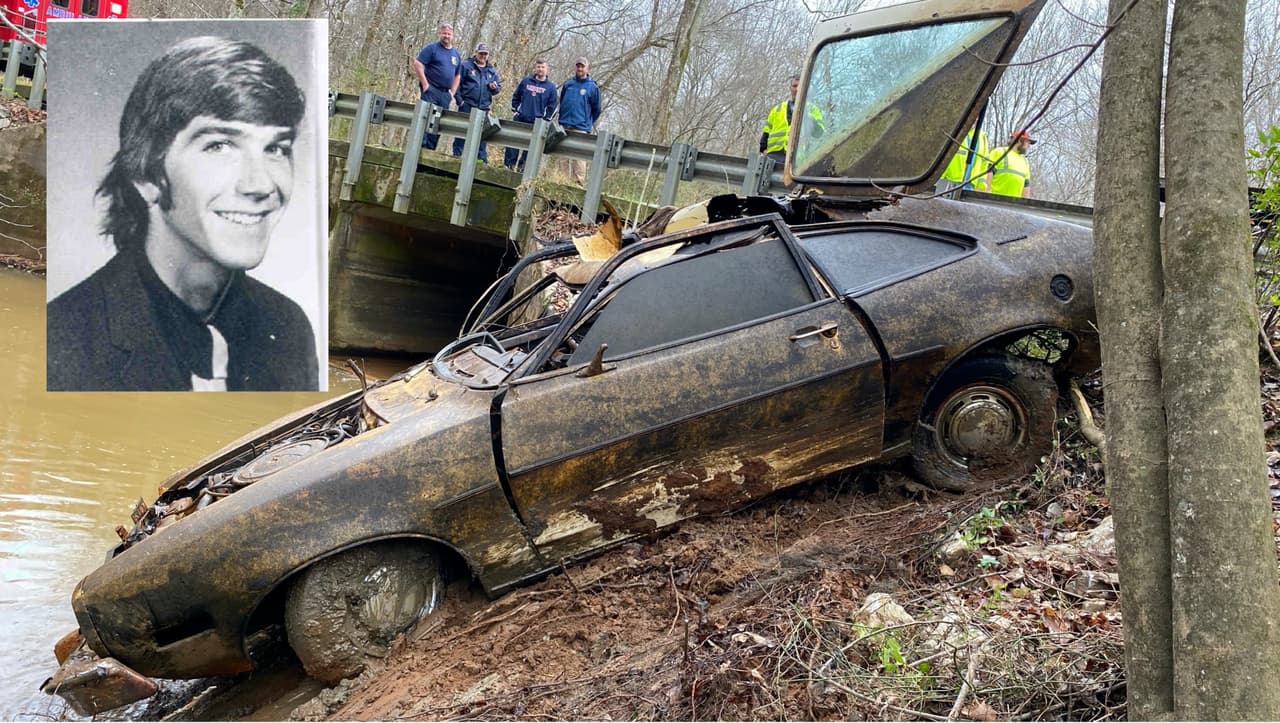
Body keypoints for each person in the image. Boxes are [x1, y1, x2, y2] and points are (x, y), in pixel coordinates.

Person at [46, 36, 318, 392]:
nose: (260, 184)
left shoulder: (288, 328)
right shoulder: (65, 338)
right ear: (147, 174)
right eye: (219, 146)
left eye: (276, 148)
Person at [413, 23, 462, 151]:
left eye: (449, 34)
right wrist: (425, 84)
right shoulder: (432, 49)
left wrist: (452, 92)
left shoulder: (455, 54)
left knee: (437, 124)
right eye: (444, 33)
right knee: (426, 120)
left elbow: (457, 75)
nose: (446, 36)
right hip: (431, 91)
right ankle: (419, 150)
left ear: (453, 35)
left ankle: (430, 151)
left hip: (445, 94)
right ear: (439, 34)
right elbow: (418, 63)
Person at [504, 58, 558, 172]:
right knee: (513, 142)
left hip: (537, 122)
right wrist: (516, 110)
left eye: (543, 67)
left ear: (546, 69)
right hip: (521, 117)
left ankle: (522, 169)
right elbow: (516, 96)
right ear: (535, 68)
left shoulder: (551, 88)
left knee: (530, 148)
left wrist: (545, 119)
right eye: (538, 67)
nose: (540, 69)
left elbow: (553, 106)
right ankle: (508, 166)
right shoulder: (526, 81)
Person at [451, 42, 502, 163]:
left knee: (482, 136)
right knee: (462, 133)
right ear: (476, 53)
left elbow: (497, 89)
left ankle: (481, 161)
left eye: (485, 54)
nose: (483, 56)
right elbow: (456, 83)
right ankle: (456, 157)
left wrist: (493, 87)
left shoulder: (491, 71)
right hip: (467, 105)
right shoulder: (466, 66)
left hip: (483, 107)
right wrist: (460, 101)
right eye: (481, 53)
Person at [759, 75, 822, 165]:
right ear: (790, 88)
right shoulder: (777, 108)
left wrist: (807, 116)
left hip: (797, 159)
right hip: (774, 156)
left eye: (800, 86)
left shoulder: (812, 109)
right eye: (794, 86)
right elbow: (766, 132)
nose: (797, 89)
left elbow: (819, 133)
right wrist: (763, 150)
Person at [557, 56, 601, 184]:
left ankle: (578, 183)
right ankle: (561, 181)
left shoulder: (592, 87)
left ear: (587, 68)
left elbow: (596, 108)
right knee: (562, 156)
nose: (580, 68)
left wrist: (587, 121)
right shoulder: (568, 84)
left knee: (579, 157)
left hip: (581, 127)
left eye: (582, 66)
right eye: (578, 66)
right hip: (564, 124)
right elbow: (562, 101)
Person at [937, 127, 992, 195]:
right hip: (948, 182)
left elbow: (984, 162)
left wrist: (981, 185)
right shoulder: (954, 131)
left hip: (970, 185)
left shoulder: (982, 136)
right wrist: (938, 181)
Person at [988, 130, 1035, 198]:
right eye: (1027, 142)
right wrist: (986, 194)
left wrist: (1025, 204)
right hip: (994, 200)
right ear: (1019, 141)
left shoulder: (1025, 161)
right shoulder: (999, 152)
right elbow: (988, 173)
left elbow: (1026, 185)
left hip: (1013, 205)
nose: (1028, 146)